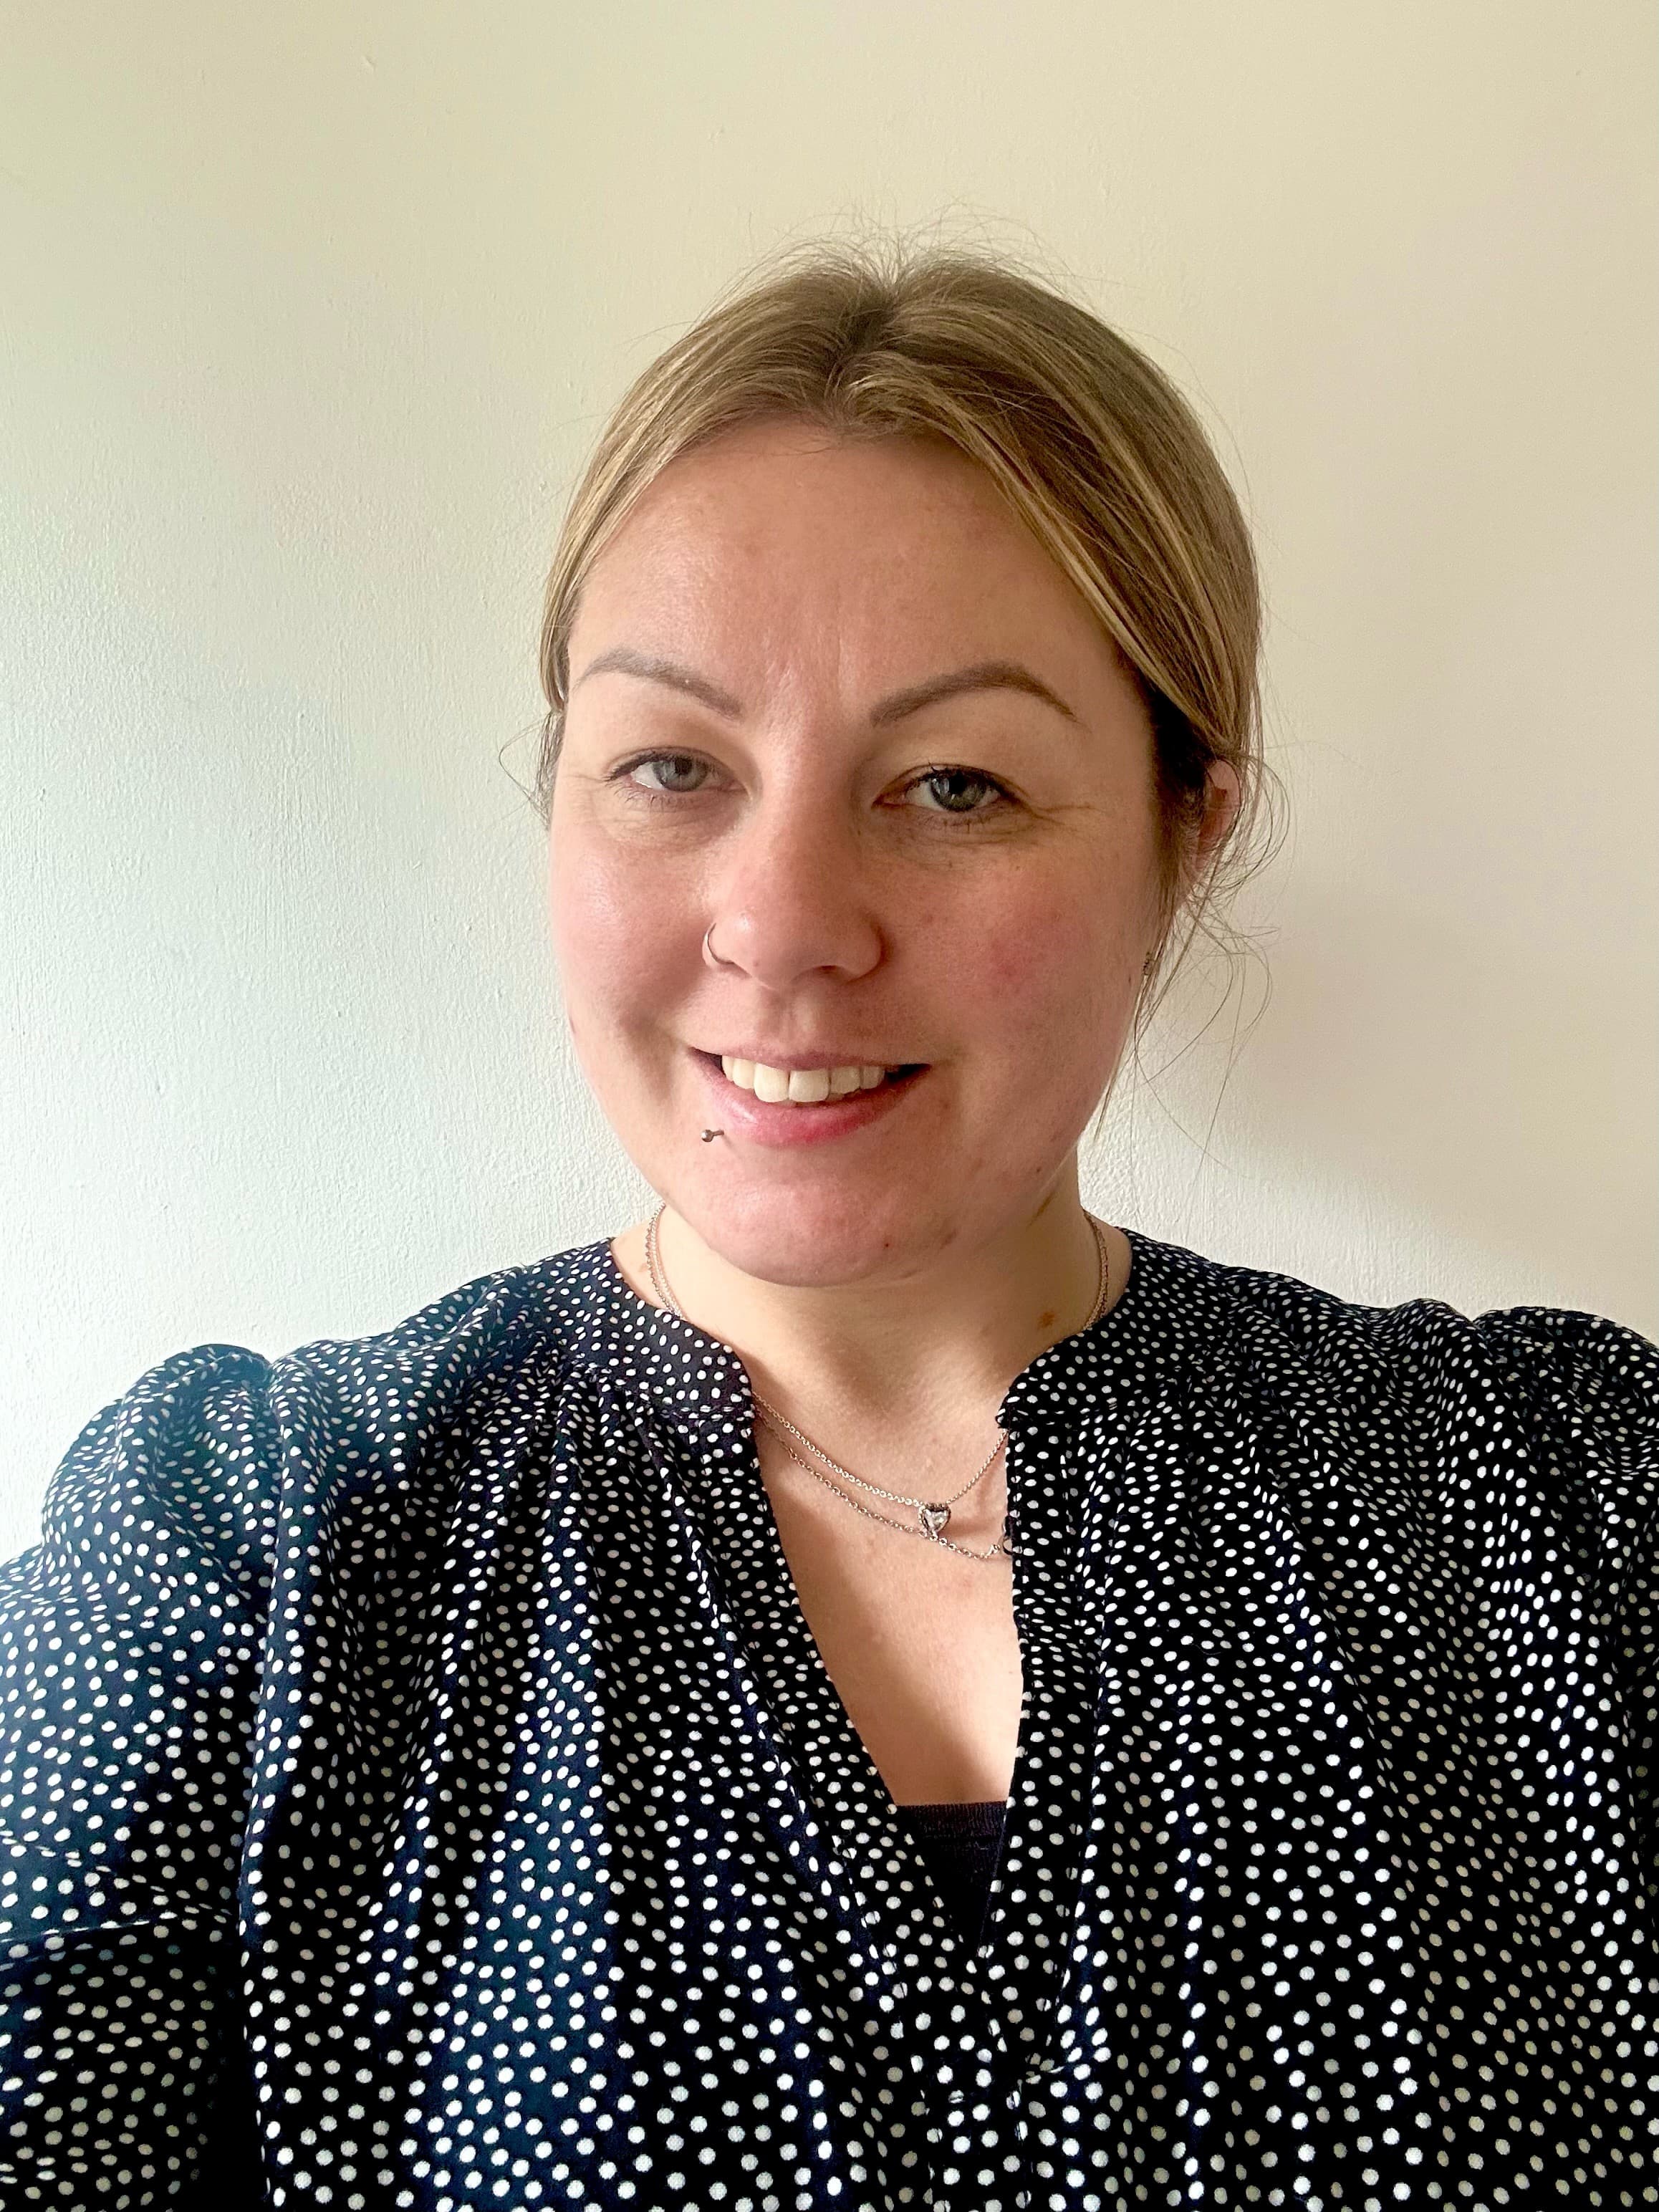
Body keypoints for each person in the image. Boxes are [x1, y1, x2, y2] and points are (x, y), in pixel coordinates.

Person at [1, 243, 1653, 2212]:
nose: (782, 925)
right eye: (669, 768)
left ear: (1180, 834)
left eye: (953, 785)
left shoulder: (1563, 1502)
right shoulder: (244, 1552)